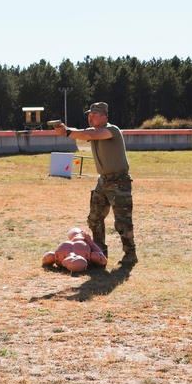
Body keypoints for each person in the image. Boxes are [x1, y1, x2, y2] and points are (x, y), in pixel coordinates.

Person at [54, 102, 137, 266]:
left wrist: (67, 132)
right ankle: (99, 254)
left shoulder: (112, 130)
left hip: (119, 181)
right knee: (94, 219)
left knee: (122, 221)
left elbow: (89, 135)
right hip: (103, 180)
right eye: (89, 115)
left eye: (94, 115)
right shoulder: (94, 131)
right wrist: (66, 130)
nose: (90, 118)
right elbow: (87, 133)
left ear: (104, 117)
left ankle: (130, 255)